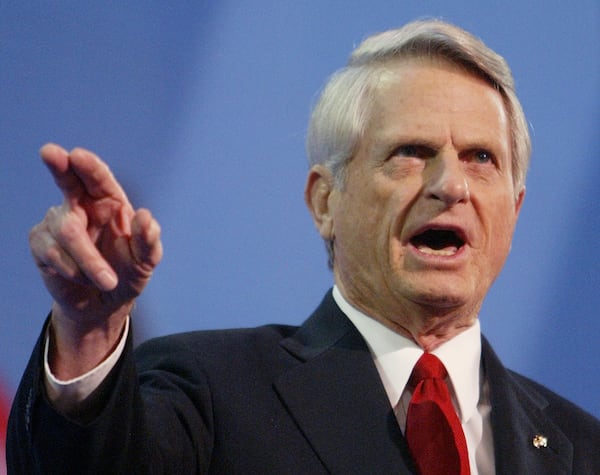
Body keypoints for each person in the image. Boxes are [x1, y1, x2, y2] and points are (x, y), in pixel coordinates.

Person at [7, 19, 600, 475]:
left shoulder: (582, 447)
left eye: (481, 158)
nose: (450, 185)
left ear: (513, 209)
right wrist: (87, 328)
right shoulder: (211, 392)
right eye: (411, 153)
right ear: (325, 202)